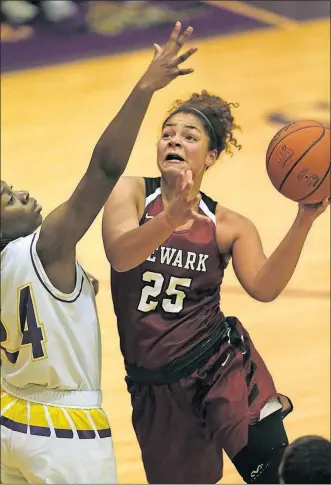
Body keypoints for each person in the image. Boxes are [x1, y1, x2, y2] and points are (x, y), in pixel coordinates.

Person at [0, 21, 196, 484]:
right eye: (8, 199)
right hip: (64, 433)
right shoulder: (47, 246)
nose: (22, 193)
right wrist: (145, 87)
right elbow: (104, 169)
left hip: (9, 415)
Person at [102, 87, 330, 483]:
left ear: (210, 157)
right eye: (168, 133)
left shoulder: (227, 225)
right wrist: (170, 219)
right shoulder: (133, 193)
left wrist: (304, 219)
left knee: (277, 476)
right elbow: (121, 255)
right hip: (154, 385)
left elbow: (263, 287)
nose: (174, 139)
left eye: (189, 136)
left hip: (220, 366)